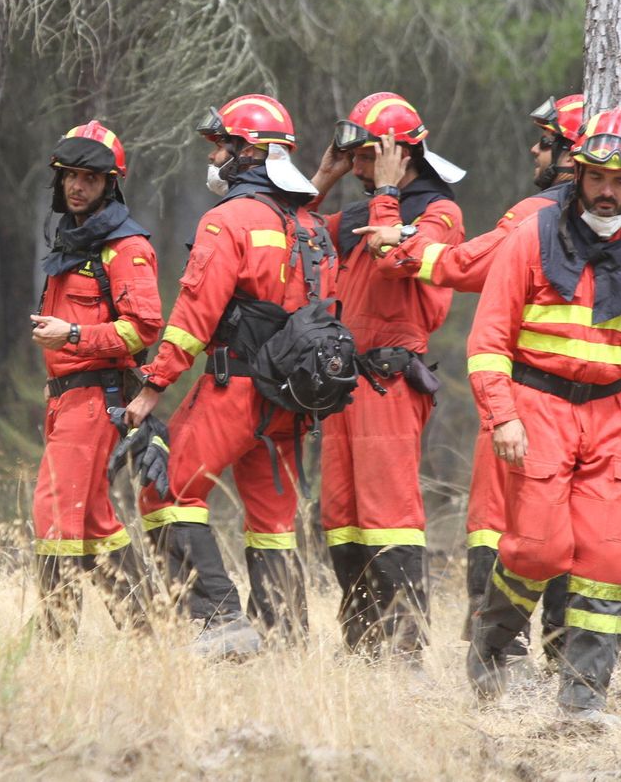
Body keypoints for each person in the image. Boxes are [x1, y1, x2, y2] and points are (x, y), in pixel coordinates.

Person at [464, 108, 621, 722]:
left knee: (610, 561)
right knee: (537, 549)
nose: (607, 192)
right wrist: (502, 416)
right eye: (596, 178)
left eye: (620, 181)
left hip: (613, 417)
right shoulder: (530, 237)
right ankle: (490, 645)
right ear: (579, 174)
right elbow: (487, 342)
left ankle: (583, 699)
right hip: (537, 409)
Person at [360, 94, 586, 664]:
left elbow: (465, 265)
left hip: (527, 393)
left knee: (495, 521)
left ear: (570, 155)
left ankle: (497, 650)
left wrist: (396, 235)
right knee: (573, 527)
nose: (535, 149)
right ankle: (566, 658)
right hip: (595, 408)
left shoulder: (538, 214)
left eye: (546, 142)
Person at [122, 94, 336, 656]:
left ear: (249, 153)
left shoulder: (227, 222)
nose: (213, 156)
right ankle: (285, 637)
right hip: (291, 399)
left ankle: (219, 620)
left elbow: (194, 317)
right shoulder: (314, 228)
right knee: (272, 519)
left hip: (233, 387)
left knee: (165, 490)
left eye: (221, 145)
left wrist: (152, 388)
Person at [309, 91, 465, 658]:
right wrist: (321, 180)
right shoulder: (356, 211)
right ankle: (361, 648)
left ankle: (404, 652)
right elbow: (296, 238)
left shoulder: (439, 213)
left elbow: (394, 258)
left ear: (402, 155)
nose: (357, 165)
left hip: (390, 383)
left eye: (368, 155)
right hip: (344, 385)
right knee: (343, 517)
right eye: (353, 155)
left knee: (389, 515)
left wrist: (389, 196)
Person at [30, 121, 163, 637]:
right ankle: (149, 632)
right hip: (67, 399)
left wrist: (74, 336)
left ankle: (53, 636)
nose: (76, 186)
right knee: (91, 522)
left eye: (89, 177)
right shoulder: (74, 241)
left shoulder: (125, 247)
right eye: (68, 176)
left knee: (56, 511)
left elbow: (143, 328)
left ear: (111, 183)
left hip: (95, 399)